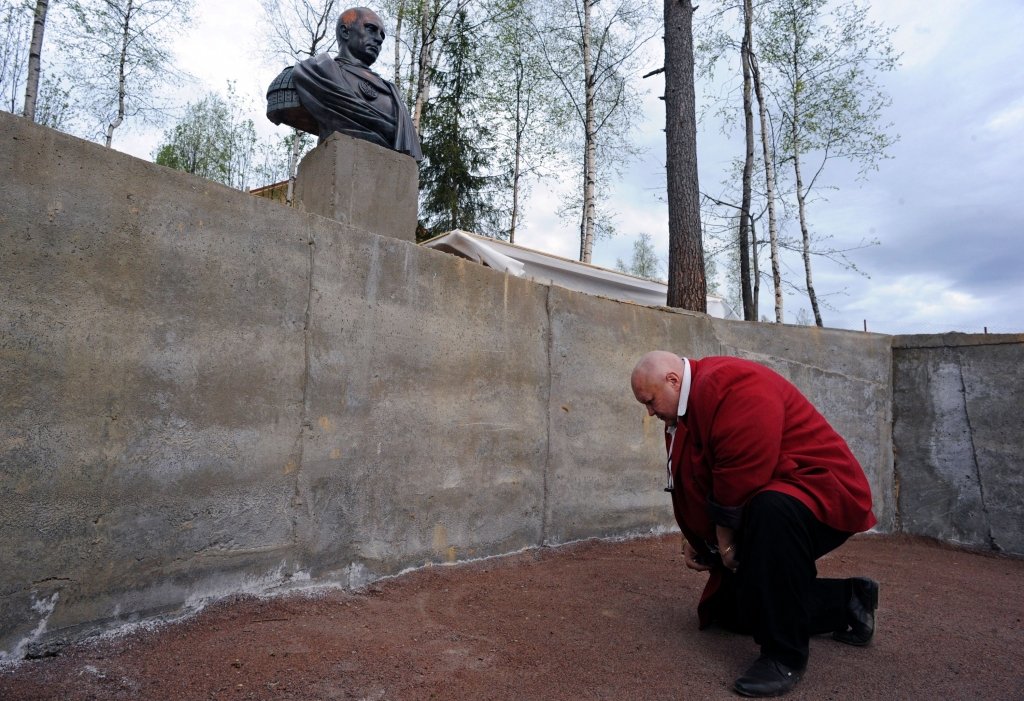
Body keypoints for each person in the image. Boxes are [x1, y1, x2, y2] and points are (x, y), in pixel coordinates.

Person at [630, 351, 879, 697]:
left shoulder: (731, 383)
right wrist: (701, 542)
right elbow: (697, 479)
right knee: (732, 609)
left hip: (823, 490)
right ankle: (848, 600)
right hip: (777, 495)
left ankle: (784, 656)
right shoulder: (685, 412)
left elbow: (742, 470)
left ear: (673, 381)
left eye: (650, 401)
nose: (650, 412)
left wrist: (726, 539)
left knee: (770, 509)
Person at [287, 7, 421, 159]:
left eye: (382, 36)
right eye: (371, 29)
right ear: (345, 32)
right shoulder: (314, 73)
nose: (378, 39)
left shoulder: (392, 94)